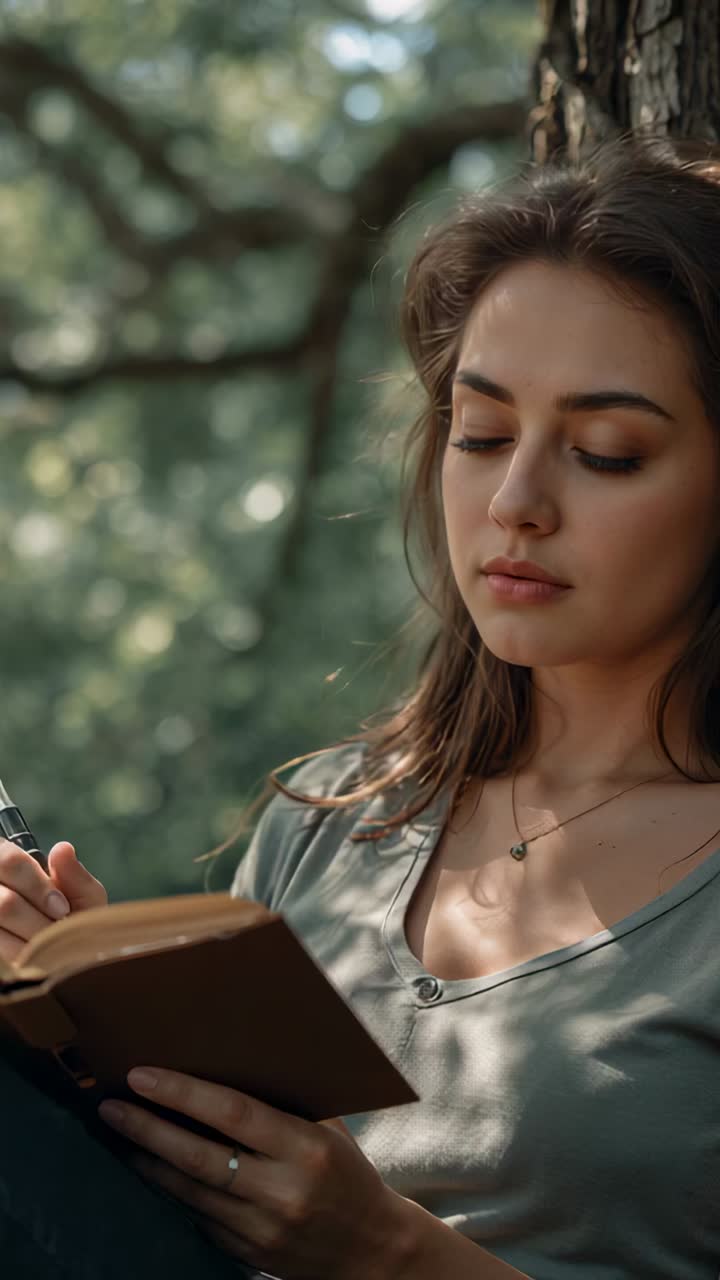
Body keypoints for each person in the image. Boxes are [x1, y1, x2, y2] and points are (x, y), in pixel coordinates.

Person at [1, 131, 720, 1279]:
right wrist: (92, 1029)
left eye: (606, 451)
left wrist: (387, 1250)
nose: (516, 501)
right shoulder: (338, 813)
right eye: (480, 434)